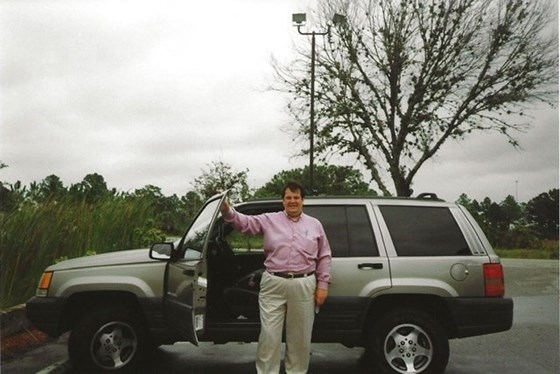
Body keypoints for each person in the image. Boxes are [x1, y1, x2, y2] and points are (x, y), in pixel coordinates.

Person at [220, 181, 332, 374]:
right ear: (283, 200)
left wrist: (323, 284)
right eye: (288, 198)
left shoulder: (315, 225)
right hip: (273, 283)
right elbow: (245, 223)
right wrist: (227, 210)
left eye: (296, 198)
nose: (292, 201)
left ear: (303, 201)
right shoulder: (270, 220)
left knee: (300, 338)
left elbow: (324, 256)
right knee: (269, 336)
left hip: (304, 284)